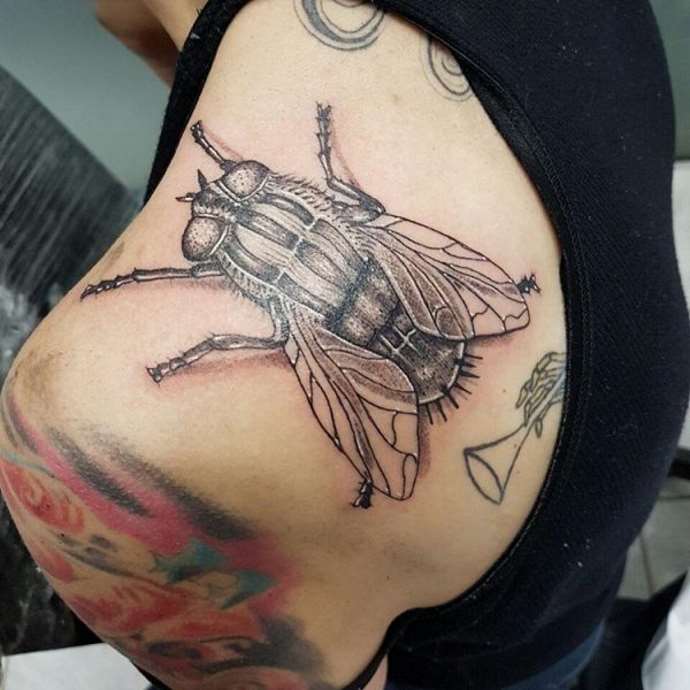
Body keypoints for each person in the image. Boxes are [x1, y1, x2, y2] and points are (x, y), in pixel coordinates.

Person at [0, 2, 688, 690]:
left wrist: (175, 339)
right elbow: (370, 217)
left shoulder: (115, 433)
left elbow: (267, 339)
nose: (213, 201)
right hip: (597, 527)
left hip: (504, 649)